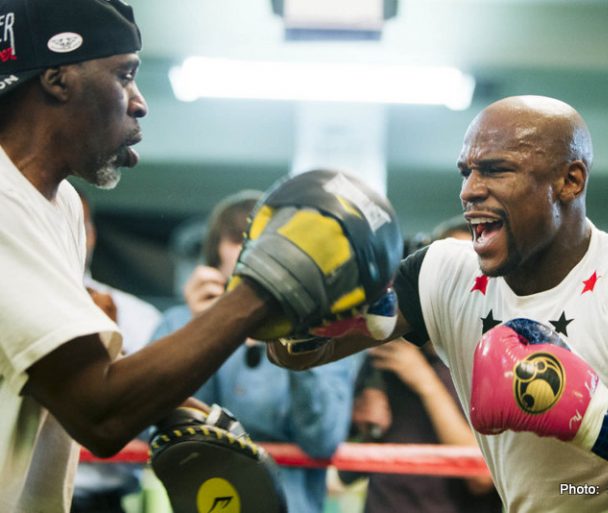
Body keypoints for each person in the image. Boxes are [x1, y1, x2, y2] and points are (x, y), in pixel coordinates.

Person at [0, 1, 399, 511]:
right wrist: (263, 287)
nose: (139, 102)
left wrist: (186, 412)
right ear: (59, 78)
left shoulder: (60, 210)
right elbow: (96, 412)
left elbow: (62, 363)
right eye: (124, 75)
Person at [268, 95, 608, 513]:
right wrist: (289, 294)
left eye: (496, 169)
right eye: (467, 171)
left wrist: (596, 416)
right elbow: (295, 350)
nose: (470, 190)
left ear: (570, 181)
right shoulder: (441, 273)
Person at [152, 191, 362, 513]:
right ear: (215, 253)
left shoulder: (322, 330)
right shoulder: (179, 323)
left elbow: (322, 440)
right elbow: (155, 430)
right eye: (239, 239)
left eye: (267, 242)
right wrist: (202, 333)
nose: (252, 252)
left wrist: (296, 338)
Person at [349, 221, 500, 513]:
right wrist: (365, 424)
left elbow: (481, 478)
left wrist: (423, 381)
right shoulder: (388, 356)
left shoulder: (498, 364)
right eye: (449, 270)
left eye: (472, 268)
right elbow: (347, 468)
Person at [73, 190, 163, 513]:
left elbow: (156, 417)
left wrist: (114, 359)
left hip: (104, 499)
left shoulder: (140, 317)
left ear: (92, 234)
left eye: (75, 225)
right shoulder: (11, 305)